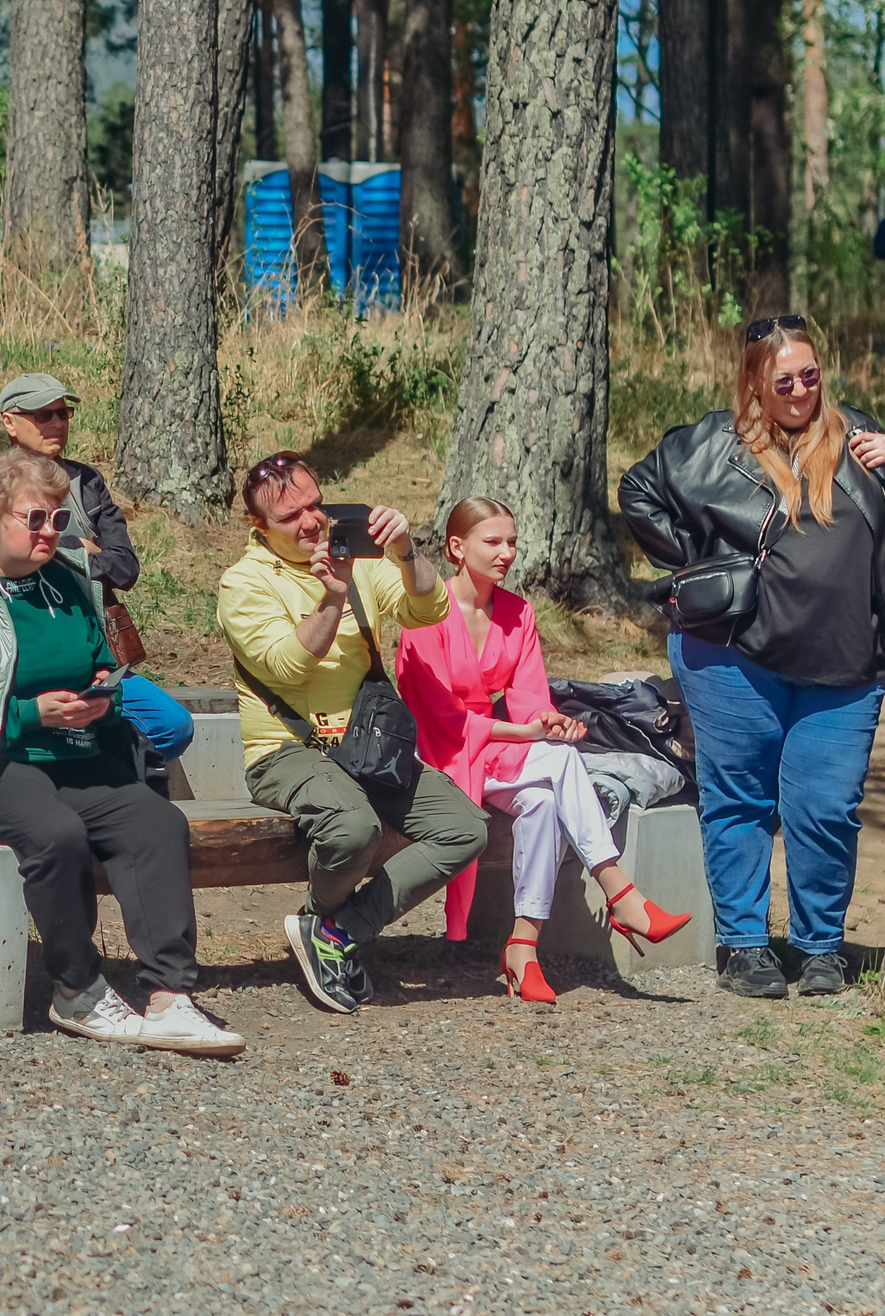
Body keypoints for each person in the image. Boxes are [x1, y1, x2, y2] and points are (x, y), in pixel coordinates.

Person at [0, 453, 243, 1054]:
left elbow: (96, 656)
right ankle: (77, 990)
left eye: (57, 518)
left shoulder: (68, 577)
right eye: (35, 519)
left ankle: (168, 998)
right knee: (55, 836)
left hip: (79, 753)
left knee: (157, 823)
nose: (50, 532)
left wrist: (101, 694)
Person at [620, 313, 885, 999]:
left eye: (811, 376)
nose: (800, 390)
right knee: (740, 800)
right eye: (783, 380)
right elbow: (637, 491)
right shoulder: (713, 444)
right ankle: (743, 946)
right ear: (754, 385)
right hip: (733, 654)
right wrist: (702, 567)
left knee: (825, 807)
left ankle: (819, 946)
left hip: (846, 663)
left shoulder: (863, 441)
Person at [217, 451, 484, 1015]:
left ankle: (331, 932)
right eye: (291, 516)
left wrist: (406, 551)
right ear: (259, 527)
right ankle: (325, 929)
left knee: (464, 829)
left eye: (316, 505)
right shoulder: (244, 583)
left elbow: (429, 609)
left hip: (366, 745)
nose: (312, 521)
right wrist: (333, 598)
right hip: (286, 750)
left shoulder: (354, 554)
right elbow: (287, 666)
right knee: (353, 826)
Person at [399, 497, 693, 1000]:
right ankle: (620, 892)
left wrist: (550, 722)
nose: (506, 553)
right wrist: (531, 736)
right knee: (557, 761)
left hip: (496, 750)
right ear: (456, 547)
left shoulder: (518, 611)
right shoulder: (426, 614)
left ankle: (523, 945)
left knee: (544, 801)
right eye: (492, 542)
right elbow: (443, 720)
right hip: (442, 756)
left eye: (512, 541)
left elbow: (531, 698)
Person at [0, 373, 197, 776]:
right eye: (43, 414)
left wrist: (61, 552)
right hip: (21, 651)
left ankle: (105, 764)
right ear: (9, 422)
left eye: (63, 413)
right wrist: (77, 547)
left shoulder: (87, 483)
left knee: (174, 725)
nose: (57, 423)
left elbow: (124, 568)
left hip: (93, 650)